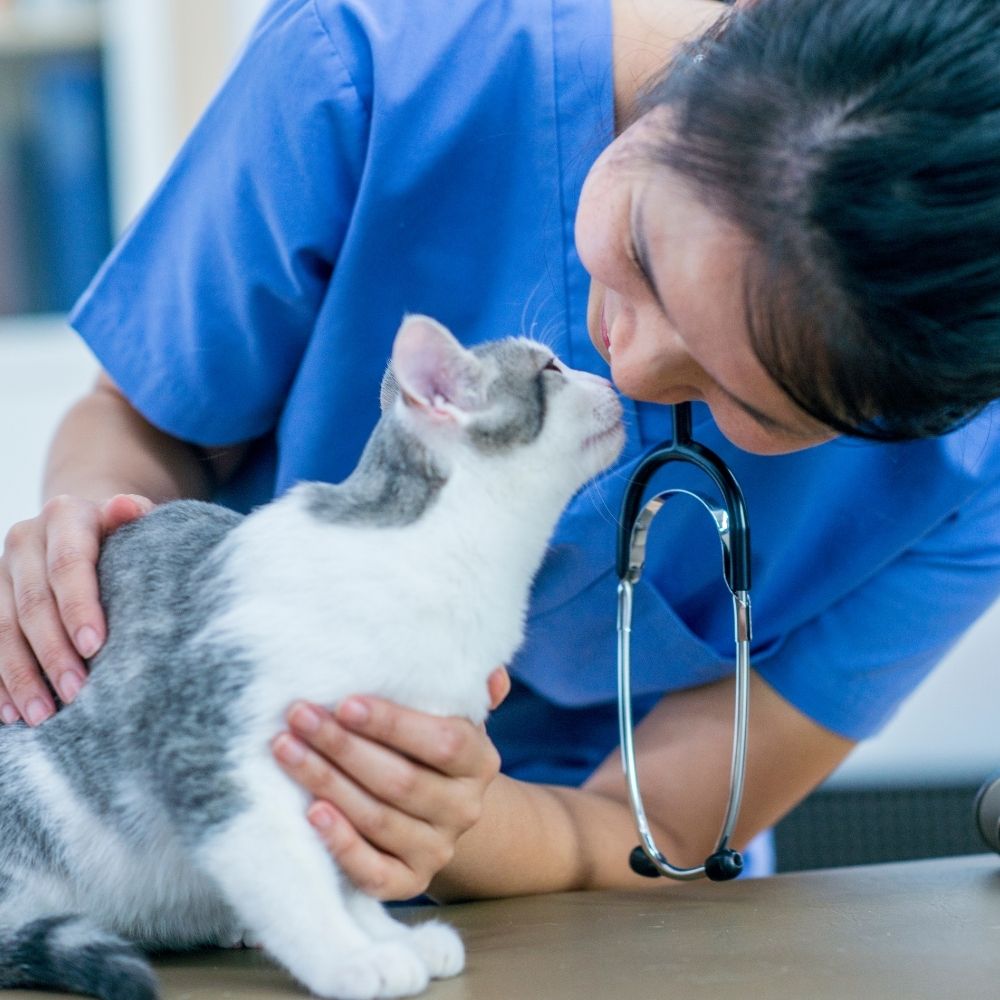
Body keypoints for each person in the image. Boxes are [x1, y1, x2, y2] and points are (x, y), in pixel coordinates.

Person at [3, 0, 1000, 901]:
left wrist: (443, 811)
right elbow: (143, 421)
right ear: (713, 43)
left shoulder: (971, 475)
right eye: (644, 250)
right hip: (200, 810)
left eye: (747, 402)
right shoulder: (372, 62)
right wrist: (95, 532)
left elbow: (653, 833)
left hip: (597, 915)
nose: (633, 363)